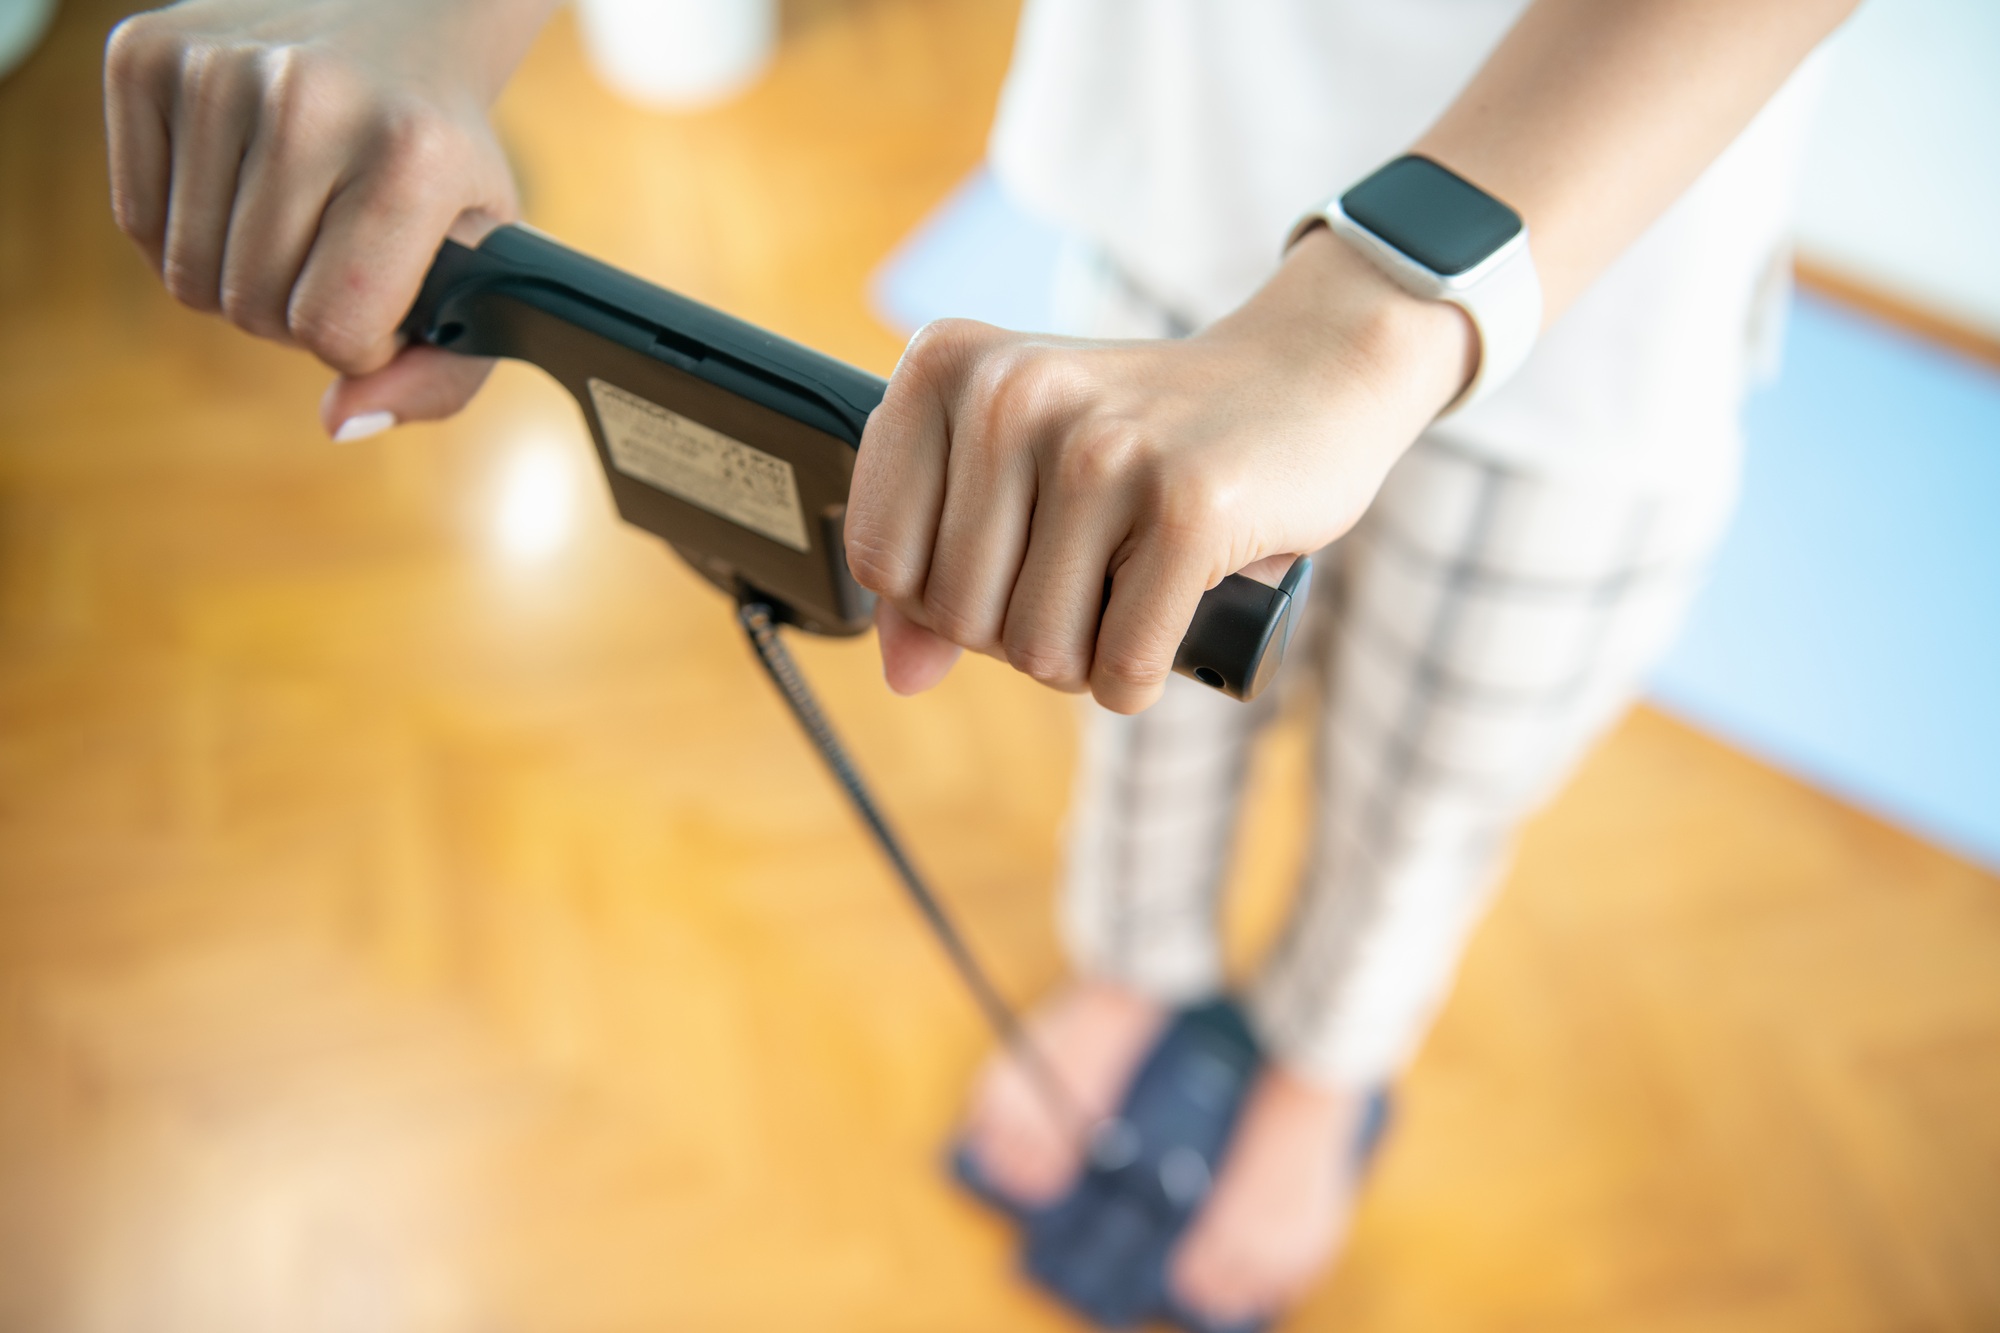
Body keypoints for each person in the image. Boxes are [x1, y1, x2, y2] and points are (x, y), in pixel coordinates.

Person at [104, 0, 1856, 1324]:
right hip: (1178, 198)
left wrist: (1380, 301)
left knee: (1435, 786)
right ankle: (1132, 966)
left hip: (1598, 294)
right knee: (1134, 708)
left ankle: (1322, 1065)